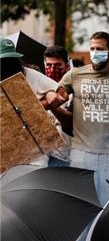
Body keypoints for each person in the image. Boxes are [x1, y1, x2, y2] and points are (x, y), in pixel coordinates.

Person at [44, 31, 109, 205]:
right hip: (81, 154)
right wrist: (49, 95)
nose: (94, 52)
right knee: (81, 208)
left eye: (99, 49)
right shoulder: (75, 75)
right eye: (92, 48)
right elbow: (57, 98)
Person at [0, 38, 68, 167]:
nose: (7, 64)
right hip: (6, 147)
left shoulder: (30, 75)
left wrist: (45, 98)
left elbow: (62, 94)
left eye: (10, 60)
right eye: (3, 61)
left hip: (35, 148)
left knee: (34, 179)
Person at [43, 45, 73, 166]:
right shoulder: (38, 87)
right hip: (44, 155)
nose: (52, 69)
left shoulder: (75, 89)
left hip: (66, 157)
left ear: (66, 65)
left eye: (57, 65)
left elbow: (70, 122)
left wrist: (51, 104)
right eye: (49, 65)